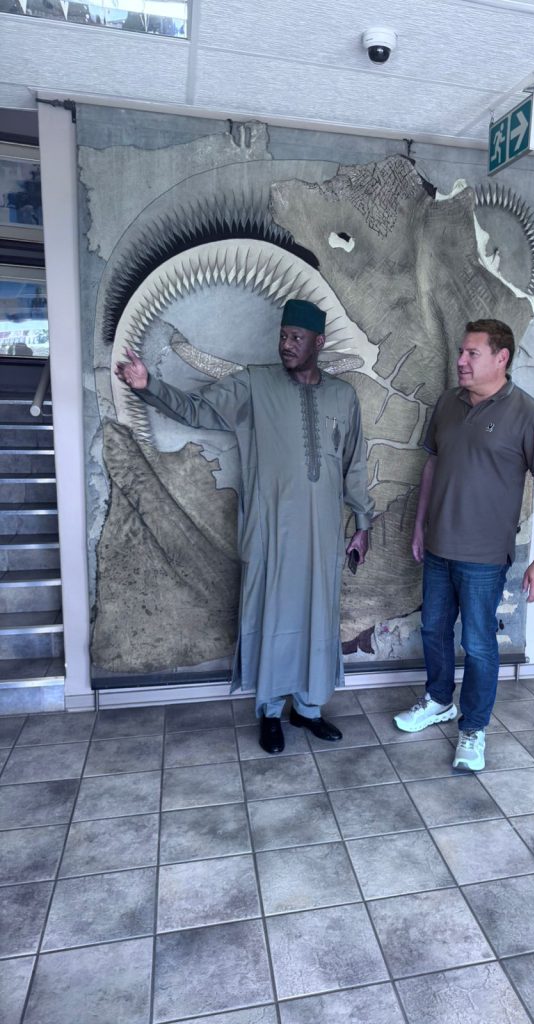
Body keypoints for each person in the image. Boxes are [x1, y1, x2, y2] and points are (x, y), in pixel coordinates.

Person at [115, 299, 374, 753]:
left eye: (296, 337)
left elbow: (353, 464)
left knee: (317, 616)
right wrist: (147, 385)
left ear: (319, 342)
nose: (286, 344)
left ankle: (308, 709)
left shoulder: (342, 396)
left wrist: (363, 523)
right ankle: (270, 711)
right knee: (273, 615)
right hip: (272, 530)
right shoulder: (254, 384)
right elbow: (197, 410)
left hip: (322, 535)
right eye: (283, 335)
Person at [394, 319, 534, 771]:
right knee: (433, 630)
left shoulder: (529, 414)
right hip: (438, 548)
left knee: (479, 644)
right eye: (461, 352)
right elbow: (433, 467)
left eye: (472, 353)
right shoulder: (448, 403)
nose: (461, 361)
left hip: (484, 557)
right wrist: (419, 526)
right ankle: (438, 700)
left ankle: (473, 727)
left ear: (501, 358)